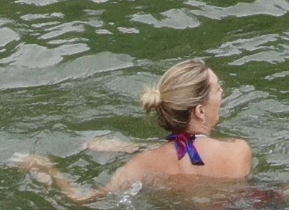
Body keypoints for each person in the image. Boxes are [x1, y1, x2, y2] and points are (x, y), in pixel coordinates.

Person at [13, 58, 254, 200]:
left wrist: (46, 167)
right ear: (200, 111)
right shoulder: (238, 150)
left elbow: (81, 199)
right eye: (217, 88)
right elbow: (198, 154)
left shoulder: (141, 165)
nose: (222, 91)